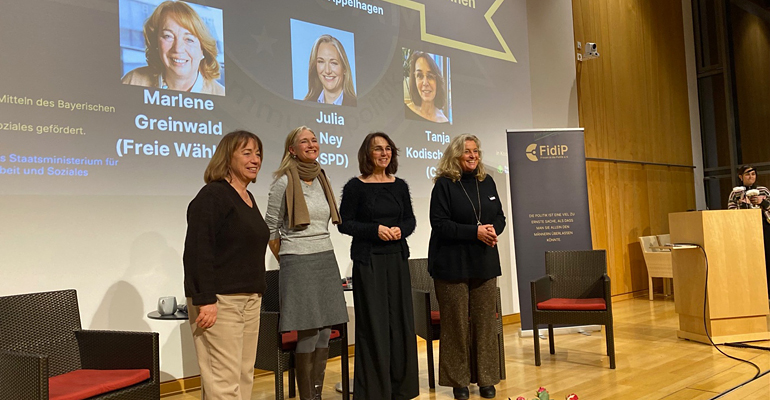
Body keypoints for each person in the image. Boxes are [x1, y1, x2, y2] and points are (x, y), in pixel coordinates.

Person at [264, 126, 349, 400]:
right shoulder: (284, 182)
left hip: (325, 257)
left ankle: (316, 393)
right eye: (304, 141)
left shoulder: (322, 177)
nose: (312, 144)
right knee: (308, 331)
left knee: (326, 330)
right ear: (292, 149)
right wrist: (288, 258)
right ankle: (307, 398)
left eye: (314, 140)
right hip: (297, 261)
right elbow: (271, 228)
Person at [183, 130, 268, 399]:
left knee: (243, 375)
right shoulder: (213, 196)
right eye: (247, 153)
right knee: (223, 381)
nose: (255, 159)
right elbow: (198, 251)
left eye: (258, 153)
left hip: (249, 299)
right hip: (219, 302)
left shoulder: (248, 198)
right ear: (227, 158)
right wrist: (205, 299)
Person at [338, 133, 419, 400]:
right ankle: (375, 391)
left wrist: (399, 230)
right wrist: (376, 230)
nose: (384, 153)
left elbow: (410, 221)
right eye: (377, 149)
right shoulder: (355, 187)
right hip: (368, 260)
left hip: (396, 258)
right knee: (373, 323)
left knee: (400, 322)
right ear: (367, 154)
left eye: (388, 149)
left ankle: (401, 388)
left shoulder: (400, 186)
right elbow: (345, 223)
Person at [428, 134, 505, 399]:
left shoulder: (487, 182)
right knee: (455, 325)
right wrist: (475, 232)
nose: (472, 156)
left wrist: (493, 230)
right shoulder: (444, 185)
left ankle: (486, 379)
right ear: (455, 155)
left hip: (484, 262)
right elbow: (439, 224)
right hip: (451, 265)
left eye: (475, 151)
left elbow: (500, 217)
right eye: (466, 151)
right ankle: (458, 381)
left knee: (485, 324)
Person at [122, 0, 225, 96]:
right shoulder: (132, 81)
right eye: (168, 36)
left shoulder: (219, 94)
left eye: (189, 39)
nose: (178, 49)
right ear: (156, 43)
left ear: (203, 50)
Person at [727, 164, 770, 298]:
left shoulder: (763, 190)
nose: (751, 177)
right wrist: (744, 205)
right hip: (745, 231)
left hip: (764, 227)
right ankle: (753, 293)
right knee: (750, 261)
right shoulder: (735, 193)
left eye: (753, 174)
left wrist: (762, 203)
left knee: (767, 259)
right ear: (741, 177)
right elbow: (730, 212)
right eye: (747, 174)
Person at [303, 34, 357, 106]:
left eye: (333, 63)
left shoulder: (356, 104)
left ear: (344, 68)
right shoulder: (305, 105)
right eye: (321, 62)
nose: (327, 71)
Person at [405, 51, 449, 123]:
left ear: (437, 81)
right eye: (420, 76)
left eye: (430, 76)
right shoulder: (406, 110)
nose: (425, 83)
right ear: (414, 80)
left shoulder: (444, 121)